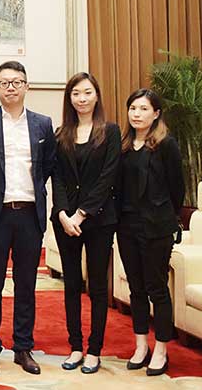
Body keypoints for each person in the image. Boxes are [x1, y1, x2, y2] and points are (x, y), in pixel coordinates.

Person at [0, 61, 55, 375]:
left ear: (26, 86)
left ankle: (23, 348)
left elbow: (48, 166)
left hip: (29, 215)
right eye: (4, 82)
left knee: (26, 285)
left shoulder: (42, 124)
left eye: (17, 82)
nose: (11, 87)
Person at [51, 73, 120, 374]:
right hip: (65, 222)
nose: (81, 98)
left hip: (99, 220)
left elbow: (108, 177)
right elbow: (57, 177)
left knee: (97, 286)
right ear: (69, 98)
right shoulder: (61, 134)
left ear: (96, 95)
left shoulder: (110, 131)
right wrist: (63, 214)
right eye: (76, 93)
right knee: (71, 285)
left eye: (87, 92)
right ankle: (76, 346)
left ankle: (94, 350)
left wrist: (82, 213)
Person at [116, 88, 183, 377]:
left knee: (157, 288)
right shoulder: (124, 145)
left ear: (156, 114)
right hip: (127, 227)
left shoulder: (166, 145)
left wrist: (167, 218)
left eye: (143, 109)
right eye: (133, 108)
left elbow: (177, 189)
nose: (137, 114)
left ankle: (162, 349)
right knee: (136, 288)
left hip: (157, 228)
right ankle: (141, 345)